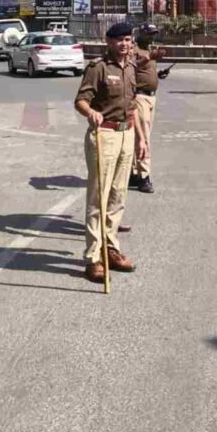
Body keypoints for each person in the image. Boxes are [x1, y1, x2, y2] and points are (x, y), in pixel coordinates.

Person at [74, 22, 148, 283]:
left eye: (128, 40)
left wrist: (141, 139)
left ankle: (110, 249)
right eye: (119, 40)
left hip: (127, 133)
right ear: (108, 41)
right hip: (104, 134)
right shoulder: (98, 68)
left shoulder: (130, 67)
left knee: (118, 196)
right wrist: (91, 112)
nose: (125, 44)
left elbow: (133, 106)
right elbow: (81, 100)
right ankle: (93, 258)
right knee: (99, 198)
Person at [129, 23, 167, 193]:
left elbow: (146, 71)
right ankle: (144, 176)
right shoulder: (134, 49)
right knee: (143, 137)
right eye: (149, 34)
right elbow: (131, 66)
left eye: (154, 34)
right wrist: (149, 57)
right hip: (139, 97)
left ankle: (134, 172)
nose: (152, 37)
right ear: (141, 34)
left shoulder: (149, 50)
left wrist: (159, 75)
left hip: (151, 97)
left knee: (142, 136)